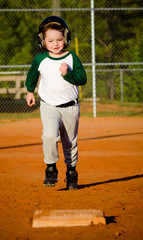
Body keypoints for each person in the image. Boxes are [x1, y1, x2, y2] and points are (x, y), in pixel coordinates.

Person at [25, 16, 87, 190]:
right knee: (50, 136)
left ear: (65, 38)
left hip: (70, 107)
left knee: (70, 142)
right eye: (51, 40)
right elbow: (32, 76)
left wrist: (68, 73)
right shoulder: (40, 60)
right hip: (48, 106)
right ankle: (51, 168)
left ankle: (71, 172)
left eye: (59, 39)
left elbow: (82, 79)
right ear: (43, 41)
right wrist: (30, 91)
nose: (56, 43)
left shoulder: (71, 57)